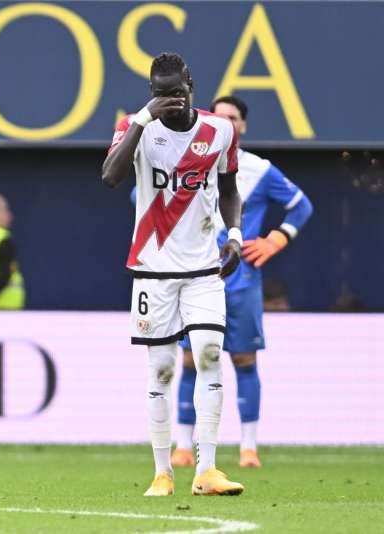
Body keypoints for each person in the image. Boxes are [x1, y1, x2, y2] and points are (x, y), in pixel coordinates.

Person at [102, 52, 244, 496]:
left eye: (178, 94)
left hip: (203, 267)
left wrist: (235, 234)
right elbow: (110, 176)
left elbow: (228, 188)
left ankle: (208, 470)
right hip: (152, 270)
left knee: (207, 355)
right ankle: (163, 471)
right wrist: (143, 120)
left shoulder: (219, 130)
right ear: (151, 94)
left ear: (191, 87)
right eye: (162, 96)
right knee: (162, 368)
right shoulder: (134, 128)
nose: (172, 103)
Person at [172, 96, 313, 470]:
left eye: (232, 118)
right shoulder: (186, 163)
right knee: (190, 360)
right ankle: (183, 445)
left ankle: (248, 447)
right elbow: (145, 195)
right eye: (217, 117)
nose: (225, 123)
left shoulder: (260, 170)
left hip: (241, 280)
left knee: (245, 359)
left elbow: (302, 205)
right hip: (194, 276)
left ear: (243, 126)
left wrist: (276, 238)